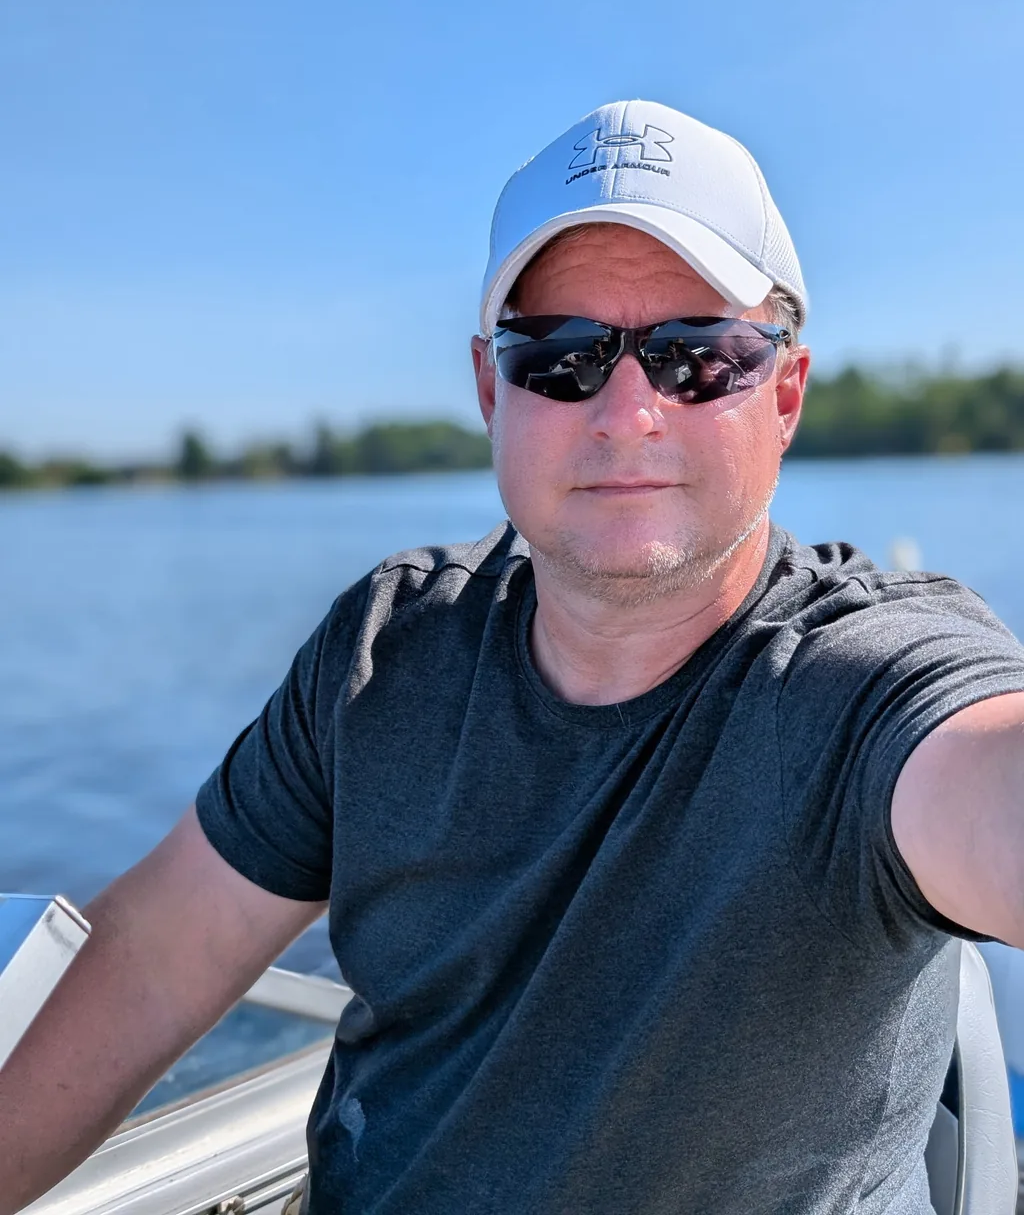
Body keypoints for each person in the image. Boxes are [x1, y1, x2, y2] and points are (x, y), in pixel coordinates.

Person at [2, 99, 1024, 1215]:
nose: (627, 410)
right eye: (564, 359)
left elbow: (987, 784)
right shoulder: (383, 654)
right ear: (494, 391)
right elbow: (152, 954)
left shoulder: (874, 680)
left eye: (695, 359)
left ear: (781, 394)